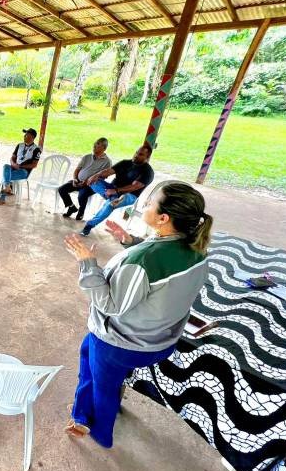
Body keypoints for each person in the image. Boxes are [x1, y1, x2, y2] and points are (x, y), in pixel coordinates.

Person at [63, 182, 212, 448]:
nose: (144, 205)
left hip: (123, 345)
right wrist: (131, 242)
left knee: (104, 388)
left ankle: (100, 433)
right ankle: (81, 413)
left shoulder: (143, 261)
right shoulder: (196, 248)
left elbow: (110, 305)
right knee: (87, 352)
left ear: (163, 218)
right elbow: (161, 261)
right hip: (160, 340)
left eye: (151, 203)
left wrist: (87, 264)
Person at [80, 145, 154, 236]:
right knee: (93, 181)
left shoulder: (148, 171)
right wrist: (96, 175)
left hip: (129, 195)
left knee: (110, 204)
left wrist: (116, 191)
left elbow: (134, 187)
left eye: (140, 154)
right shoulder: (125, 163)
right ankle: (112, 197)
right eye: (136, 152)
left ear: (147, 157)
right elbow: (108, 171)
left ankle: (89, 225)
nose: (136, 155)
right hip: (112, 189)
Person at [59, 138, 112, 220]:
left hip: (92, 185)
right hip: (78, 181)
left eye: (98, 144)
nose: (94, 145)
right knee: (62, 189)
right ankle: (71, 207)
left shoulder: (107, 162)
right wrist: (75, 179)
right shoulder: (87, 157)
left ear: (104, 148)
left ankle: (81, 212)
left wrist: (87, 182)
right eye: (95, 143)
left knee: (82, 195)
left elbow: (103, 177)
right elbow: (77, 170)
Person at [0, 128, 42, 206]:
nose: (24, 136)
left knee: (6, 177)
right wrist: (13, 164)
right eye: (25, 135)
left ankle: (2, 197)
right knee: (6, 166)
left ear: (32, 137)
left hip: (24, 171)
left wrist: (21, 166)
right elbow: (12, 158)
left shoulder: (36, 149)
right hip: (14, 168)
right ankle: (8, 187)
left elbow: (34, 165)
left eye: (27, 135)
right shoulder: (19, 145)